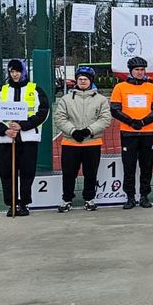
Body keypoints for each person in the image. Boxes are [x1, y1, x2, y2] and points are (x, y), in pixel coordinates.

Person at [0, 58, 50, 217]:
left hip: (28, 139)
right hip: (8, 140)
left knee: (27, 172)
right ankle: (11, 204)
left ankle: (24, 203)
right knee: (7, 173)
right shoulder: (2, 91)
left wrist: (23, 125)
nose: (15, 74)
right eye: (12, 71)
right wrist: (4, 130)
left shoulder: (35, 90)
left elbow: (43, 112)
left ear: (24, 72)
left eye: (18, 71)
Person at [53, 65, 112, 212]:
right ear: (76, 81)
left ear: (91, 80)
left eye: (86, 79)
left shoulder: (101, 100)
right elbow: (59, 118)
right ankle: (67, 199)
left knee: (90, 173)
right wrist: (73, 131)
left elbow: (105, 119)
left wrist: (88, 131)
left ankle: (89, 199)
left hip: (92, 142)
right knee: (68, 174)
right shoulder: (66, 99)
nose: (83, 81)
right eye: (80, 79)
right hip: (70, 142)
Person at [109, 56, 153, 208]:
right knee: (129, 166)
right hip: (128, 133)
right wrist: (131, 122)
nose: (140, 72)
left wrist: (144, 122)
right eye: (137, 70)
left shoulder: (151, 88)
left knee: (147, 166)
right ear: (130, 71)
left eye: (142, 69)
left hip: (147, 133)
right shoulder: (120, 88)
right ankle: (130, 196)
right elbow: (115, 109)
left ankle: (144, 196)